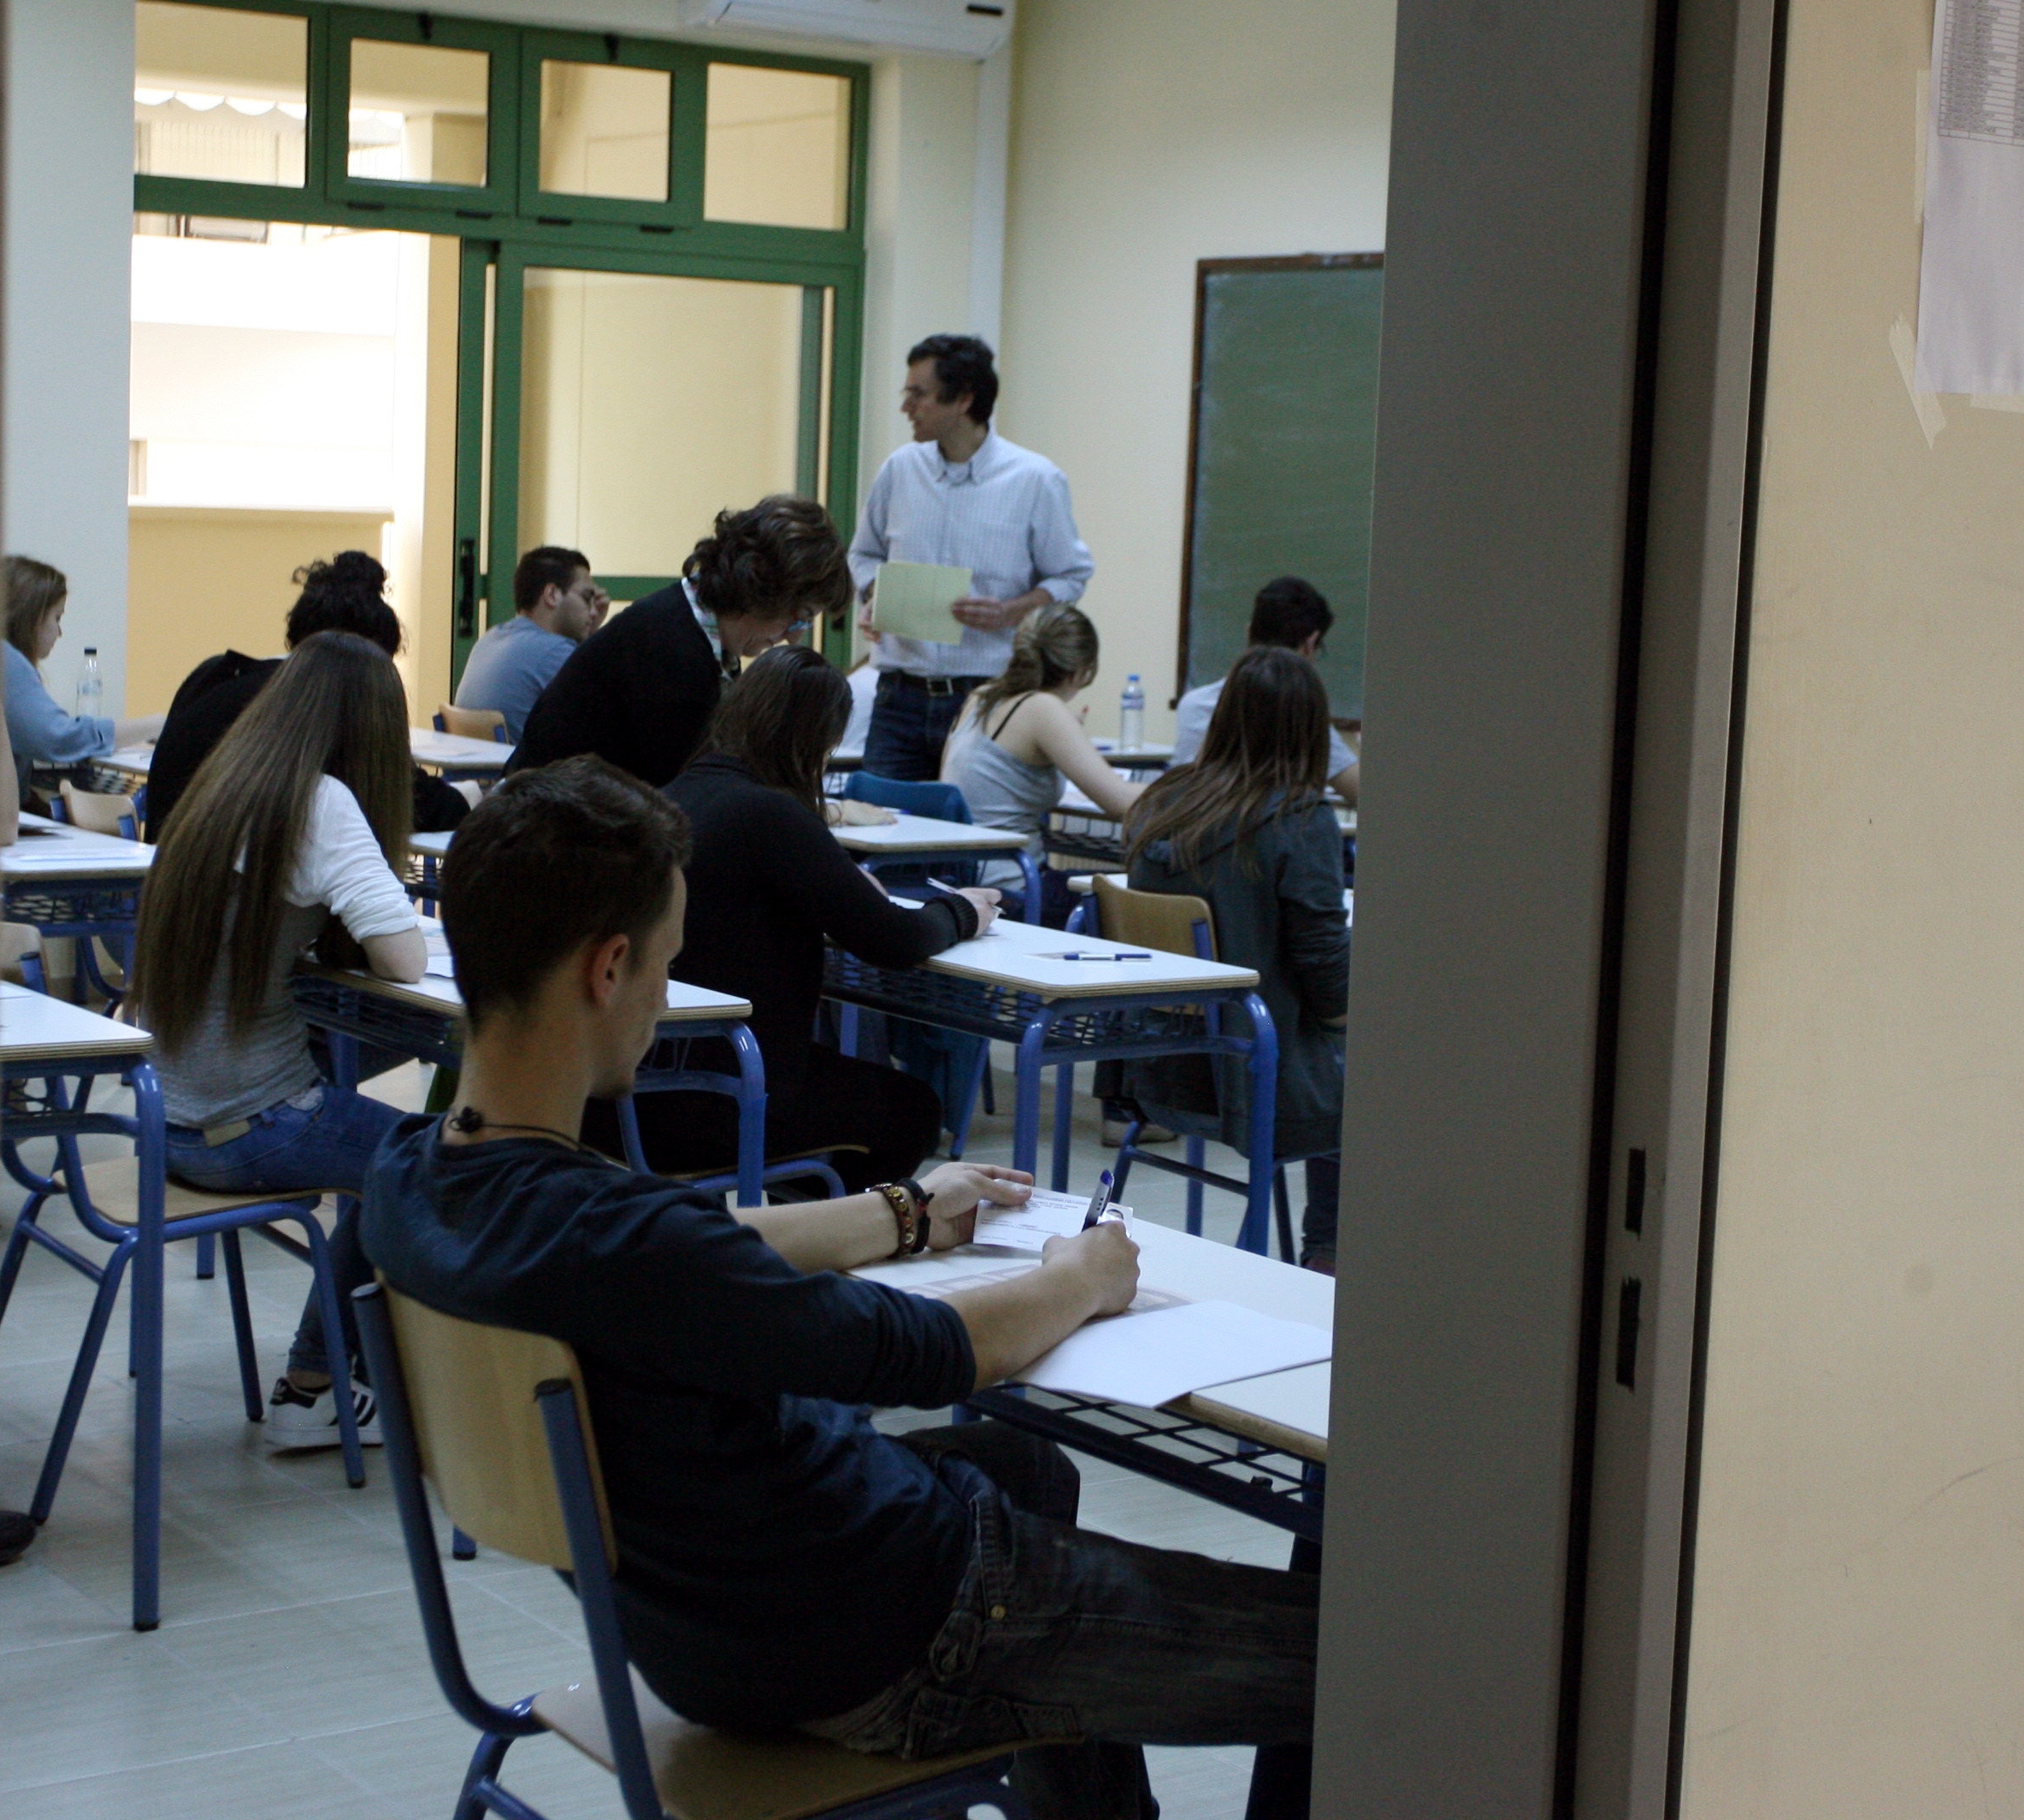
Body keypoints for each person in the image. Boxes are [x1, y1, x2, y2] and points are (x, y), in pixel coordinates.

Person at [362, 758, 1319, 1820]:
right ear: (610, 967)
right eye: (668, 964)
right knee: (1353, 1652)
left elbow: (700, 1241)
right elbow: (927, 1349)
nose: (665, 997)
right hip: (891, 1631)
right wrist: (1079, 1277)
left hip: (702, 1634)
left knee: (1022, 1463)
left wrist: (903, 1209)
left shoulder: (414, 1181)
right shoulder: (625, 1246)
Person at [128, 631, 430, 1447]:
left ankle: (336, 1371)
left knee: (389, 1136)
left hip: (163, 1119)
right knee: (428, 1162)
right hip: (249, 1124)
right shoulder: (320, 803)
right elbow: (405, 961)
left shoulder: (225, 778)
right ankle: (315, 1385)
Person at [613, 647, 1002, 1190]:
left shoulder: (671, 796)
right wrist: (962, 910)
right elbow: (895, 940)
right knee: (912, 1111)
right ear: (816, 739)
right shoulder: (771, 813)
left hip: (629, 1092)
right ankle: (824, 1226)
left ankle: (799, 1214)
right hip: (718, 1102)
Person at [1118, 647, 1352, 1272]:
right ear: (1312, 731)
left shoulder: (1163, 802)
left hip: (1160, 1066)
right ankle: (1328, 1258)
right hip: (1253, 1071)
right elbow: (1324, 960)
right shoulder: (1300, 817)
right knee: (1370, 1072)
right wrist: (1343, 1021)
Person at [846, 334, 1095, 781]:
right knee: (882, 816)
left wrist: (1013, 611)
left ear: (963, 399)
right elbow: (863, 554)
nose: (906, 407)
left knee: (977, 820)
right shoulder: (900, 470)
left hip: (990, 694)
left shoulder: (1034, 479)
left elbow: (1071, 575)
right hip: (899, 694)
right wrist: (874, 593)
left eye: (918, 394)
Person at [508, 496, 852, 789]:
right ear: (764, 589)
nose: (795, 635)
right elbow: (693, 793)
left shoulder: (685, 628)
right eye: (801, 615)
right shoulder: (670, 650)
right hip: (552, 829)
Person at [138, 551, 469, 842]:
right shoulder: (321, 704)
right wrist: (471, 796)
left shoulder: (212, 677)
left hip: (164, 881)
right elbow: (414, 802)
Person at [941, 604, 1141, 906]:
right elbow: (1121, 802)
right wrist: (1193, 788)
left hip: (964, 879)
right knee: (1143, 893)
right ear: (1082, 671)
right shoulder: (1042, 708)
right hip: (1013, 889)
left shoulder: (983, 696)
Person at [1171, 575, 1362, 802]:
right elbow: (1363, 792)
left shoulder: (1195, 704)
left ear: (1249, 631)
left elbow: (1181, 790)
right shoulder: (1300, 714)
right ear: (1310, 645)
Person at [0, 554, 160, 795]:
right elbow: (58, 738)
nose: (60, 632)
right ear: (31, 615)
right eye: (57, 617)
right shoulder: (5, 660)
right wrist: (155, 724)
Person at [451, 545, 605, 742]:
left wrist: (589, 634)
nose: (593, 612)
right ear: (552, 595)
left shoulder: (492, 638)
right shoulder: (554, 652)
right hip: (524, 762)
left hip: (483, 761)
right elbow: (613, 713)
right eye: (587, 598)